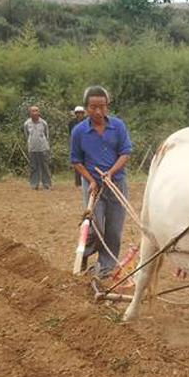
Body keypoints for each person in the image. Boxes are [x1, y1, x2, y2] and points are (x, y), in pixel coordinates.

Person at [70, 86, 132, 278]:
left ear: (107, 106)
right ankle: (83, 254)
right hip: (93, 186)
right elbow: (76, 161)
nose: (97, 111)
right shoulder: (79, 131)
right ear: (87, 108)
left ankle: (105, 268)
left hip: (116, 184)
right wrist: (90, 180)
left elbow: (125, 153)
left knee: (113, 230)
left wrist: (111, 172)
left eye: (102, 107)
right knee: (96, 228)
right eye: (93, 107)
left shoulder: (118, 126)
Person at [23, 105, 52, 190]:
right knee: (33, 167)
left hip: (43, 148)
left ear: (39, 112)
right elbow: (26, 135)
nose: (35, 113)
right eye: (33, 111)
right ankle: (34, 185)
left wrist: (47, 146)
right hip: (32, 149)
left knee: (44, 167)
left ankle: (47, 185)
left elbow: (47, 135)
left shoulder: (43, 123)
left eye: (36, 111)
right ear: (30, 113)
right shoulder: (27, 124)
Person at [68, 106, 86, 188]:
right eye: (78, 113)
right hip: (76, 144)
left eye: (81, 113)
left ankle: (85, 181)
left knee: (86, 163)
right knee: (77, 163)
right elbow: (70, 134)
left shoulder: (87, 122)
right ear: (76, 114)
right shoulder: (71, 123)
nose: (79, 115)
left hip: (85, 144)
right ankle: (78, 183)